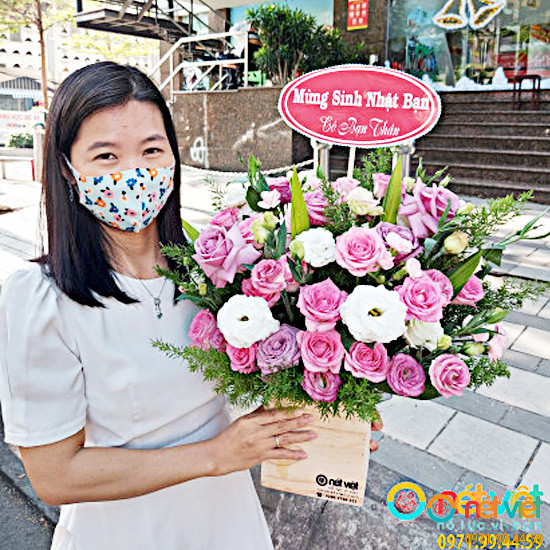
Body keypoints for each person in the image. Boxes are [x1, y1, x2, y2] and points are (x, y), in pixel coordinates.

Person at [0, 62, 382, 550]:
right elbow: (55, 476)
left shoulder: (214, 271)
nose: (134, 173)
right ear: (66, 169)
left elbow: (239, 396)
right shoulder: (41, 299)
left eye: (151, 150)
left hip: (230, 526)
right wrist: (216, 456)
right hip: (125, 535)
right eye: (106, 156)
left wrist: (329, 410)